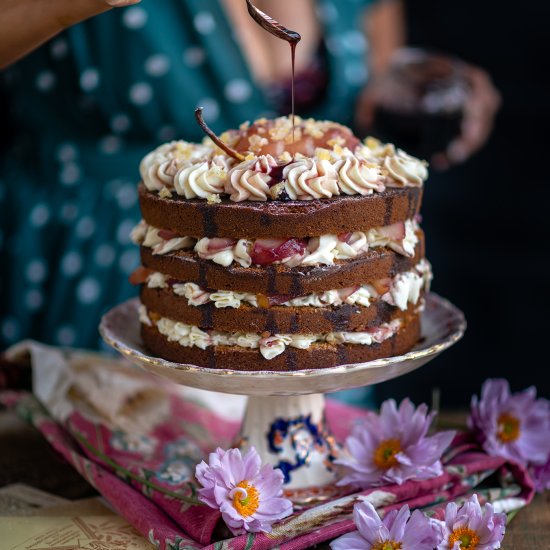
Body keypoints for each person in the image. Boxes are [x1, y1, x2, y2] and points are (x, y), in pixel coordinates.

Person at [0, 0, 499, 356]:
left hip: (329, 320)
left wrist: (411, 89)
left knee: (311, 492)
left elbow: (373, 70)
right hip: (91, 263)